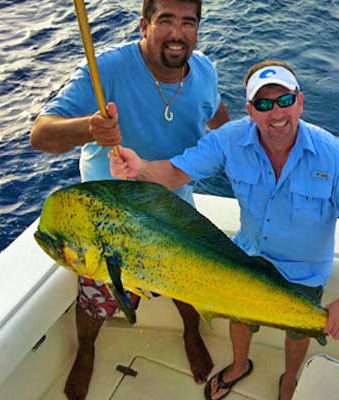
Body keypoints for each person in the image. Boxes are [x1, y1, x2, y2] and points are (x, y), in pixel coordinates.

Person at [109, 60, 339, 400]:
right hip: (248, 258)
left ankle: (289, 381)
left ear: (300, 102)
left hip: (304, 273)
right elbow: (177, 173)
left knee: (299, 333)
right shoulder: (230, 139)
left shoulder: (333, 157)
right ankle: (240, 365)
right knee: (239, 320)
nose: (277, 113)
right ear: (251, 111)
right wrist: (141, 168)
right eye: (264, 104)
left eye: (285, 100)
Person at [30, 0, 230, 399]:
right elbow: (41, 134)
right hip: (110, 219)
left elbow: (218, 115)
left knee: (187, 288)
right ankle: (86, 350)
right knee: (94, 297)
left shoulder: (204, 70)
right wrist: (90, 128)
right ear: (144, 25)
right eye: (166, 21)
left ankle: (191, 332)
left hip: (173, 207)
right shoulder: (107, 70)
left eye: (188, 22)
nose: (177, 33)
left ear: (197, 29)